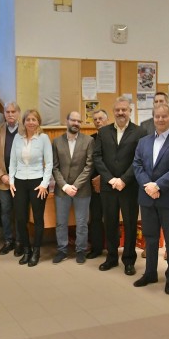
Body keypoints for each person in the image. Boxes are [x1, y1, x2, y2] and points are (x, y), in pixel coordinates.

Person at [132, 103, 169, 294]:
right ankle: (150, 273)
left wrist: (158, 186)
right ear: (153, 118)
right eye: (157, 116)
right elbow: (137, 166)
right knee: (150, 238)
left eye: (164, 116)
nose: (160, 119)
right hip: (148, 198)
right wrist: (148, 186)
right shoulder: (143, 141)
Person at [94, 96, 146, 276]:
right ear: (113, 112)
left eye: (124, 109)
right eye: (118, 110)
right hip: (108, 187)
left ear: (130, 111)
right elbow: (97, 157)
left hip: (129, 186)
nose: (121, 112)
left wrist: (123, 179)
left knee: (130, 223)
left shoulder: (140, 132)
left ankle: (129, 260)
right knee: (110, 223)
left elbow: (139, 159)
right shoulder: (103, 132)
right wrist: (110, 179)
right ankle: (111, 257)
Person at [8, 108, 53, 267]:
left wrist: (44, 184)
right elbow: (13, 161)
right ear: (24, 122)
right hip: (19, 182)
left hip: (38, 182)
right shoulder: (17, 138)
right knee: (20, 218)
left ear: (38, 122)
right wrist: (11, 181)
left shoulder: (43, 138)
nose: (31, 122)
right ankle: (26, 249)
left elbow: (49, 163)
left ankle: (36, 251)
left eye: (34, 119)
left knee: (38, 218)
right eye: (28, 119)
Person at [51, 111, 94, 264]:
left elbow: (89, 166)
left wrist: (75, 186)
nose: (76, 123)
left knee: (82, 223)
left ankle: (80, 250)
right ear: (67, 121)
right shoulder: (56, 141)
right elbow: (54, 167)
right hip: (62, 191)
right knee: (61, 223)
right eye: (73, 120)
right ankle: (62, 250)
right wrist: (64, 186)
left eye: (79, 121)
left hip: (82, 190)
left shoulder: (88, 141)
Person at [0, 102, 21, 255]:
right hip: (4, 179)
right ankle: (8, 240)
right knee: (5, 210)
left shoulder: (25, 130)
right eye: (7, 112)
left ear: (18, 113)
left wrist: (17, 176)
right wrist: (1, 175)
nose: (10, 114)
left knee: (20, 211)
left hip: (21, 179)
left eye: (13, 111)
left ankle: (20, 241)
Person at [87, 109, 109, 260]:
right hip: (94, 184)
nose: (98, 121)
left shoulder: (114, 136)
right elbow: (90, 161)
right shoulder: (91, 139)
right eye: (95, 119)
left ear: (107, 120)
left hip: (111, 182)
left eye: (101, 118)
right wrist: (94, 179)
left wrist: (104, 177)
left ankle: (112, 247)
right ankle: (96, 248)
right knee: (95, 217)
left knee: (111, 217)